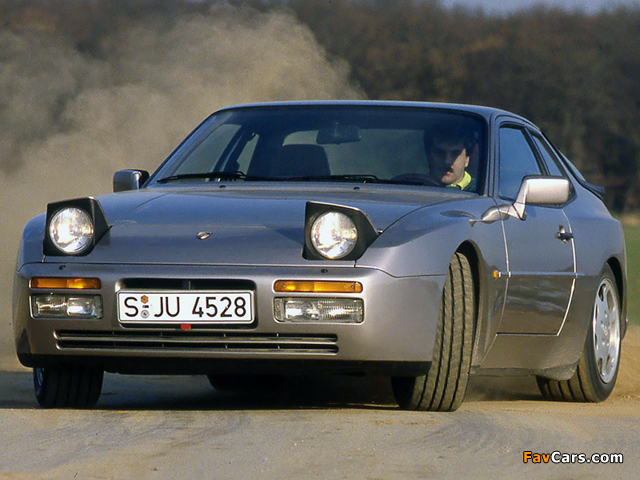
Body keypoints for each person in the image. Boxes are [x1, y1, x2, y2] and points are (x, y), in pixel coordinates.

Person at [425, 120, 476, 190]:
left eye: (455, 153)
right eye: (440, 153)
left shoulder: (480, 192)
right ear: (429, 156)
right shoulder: (413, 189)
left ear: (467, 159)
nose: (447, 161)